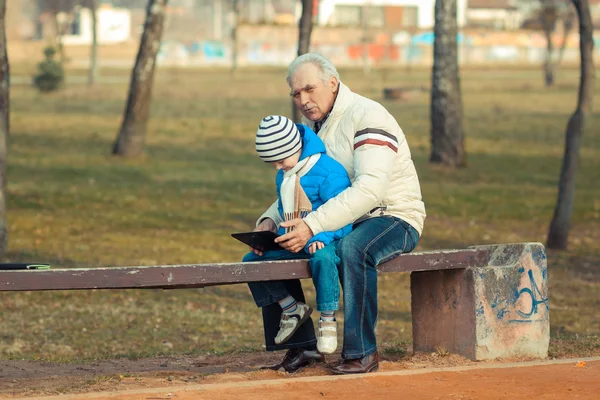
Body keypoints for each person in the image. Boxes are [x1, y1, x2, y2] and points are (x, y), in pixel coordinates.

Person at [250, 53, 426, 375]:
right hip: (340, 221)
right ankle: (302, 348)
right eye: (296, 93)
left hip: (392, 216)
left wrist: (312, 224)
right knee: (277, 245)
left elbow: (370, 190)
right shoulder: (309, 128)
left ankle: (363, 352)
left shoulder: (369, 116)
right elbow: (297, 184)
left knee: (352, 248)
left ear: (333, 83)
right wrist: (269, 220)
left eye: (309, 89)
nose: (303, 100)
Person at [244, 115, 352, 357]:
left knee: (323, 259)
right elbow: (285, 211)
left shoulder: (328, 172)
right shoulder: (285, 174)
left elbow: (345, 214)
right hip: (294, 240)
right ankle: (291, 308)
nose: (277, 167)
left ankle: (327, 318)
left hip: (328, 238)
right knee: (250, 262)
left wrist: (321, 236)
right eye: (271, 162)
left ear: (295, 148)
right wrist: (273, 233)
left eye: (280, 160)